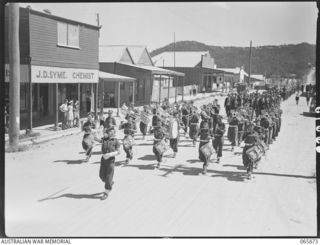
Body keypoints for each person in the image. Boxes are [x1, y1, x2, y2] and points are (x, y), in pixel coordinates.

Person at [94, 127, 120, 200]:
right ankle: (110, 182)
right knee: (101, 175)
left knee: (109, 177)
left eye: (112, 131)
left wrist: (110, 154)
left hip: (111, 160)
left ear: (114, 133)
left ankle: (106, 192)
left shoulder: (116, 141)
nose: (110, 133)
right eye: (109, 131)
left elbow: (118, 152)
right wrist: (94, 134)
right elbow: (97, 140)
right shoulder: (104, 139)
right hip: (103, 159)